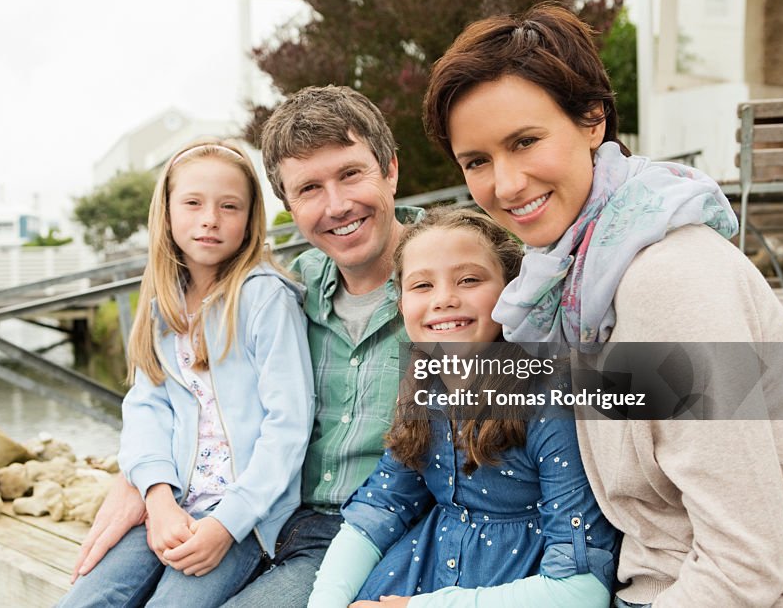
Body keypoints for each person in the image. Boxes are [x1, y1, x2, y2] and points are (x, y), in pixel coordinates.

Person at [422, 2, 783, 607]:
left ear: (592, 119)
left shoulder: (666, 280)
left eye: (525, 141)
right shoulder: (572, 279)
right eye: (477, 161)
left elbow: (744, 566)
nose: (505, 184)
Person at [69, 87, 423, 607]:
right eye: (309, 189)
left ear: (390, 171)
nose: (338, 204)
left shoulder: (451, 286)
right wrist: (143, 481)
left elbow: (556, 399)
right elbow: (160, 399)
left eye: (351, 174)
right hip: (283, 522)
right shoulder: (298, 286)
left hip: (370, 532)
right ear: (288, 206)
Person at [308, 206, 619, 608]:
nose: (444, 299)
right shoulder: (424, 388)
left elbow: (582, 590)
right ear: (400, 304)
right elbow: (381, 508)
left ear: (511, 289)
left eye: (469, 279)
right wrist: (325, 601)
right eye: (421, 286)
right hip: (423, 570)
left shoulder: (548, 398)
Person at [57, 140, 315, 607]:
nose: (210, 218)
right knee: (87, 599)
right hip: (171, 503)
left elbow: (289, 425)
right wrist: (156, 497)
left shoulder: (264, 299)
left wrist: (226, 524)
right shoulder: (164, 306)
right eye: (193, 203)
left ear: (250, 218)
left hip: (240, 521)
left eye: (229, 206)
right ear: (168, 212)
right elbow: (145, 407)